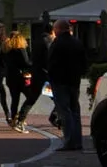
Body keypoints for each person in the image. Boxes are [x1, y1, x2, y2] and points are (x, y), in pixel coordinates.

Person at [48, 19, 88, 152]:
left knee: (64, 112)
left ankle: (69, 141)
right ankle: (77, 141)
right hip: (74, 81)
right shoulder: (77, 42)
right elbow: (84, 63)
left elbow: (51, 62)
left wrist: (51, 76)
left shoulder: (57, 43)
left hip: (60, 82)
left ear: (58, 29)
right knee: (75, 111)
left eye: (55, 29)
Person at [15, 23, 57, 131]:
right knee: (57, 98)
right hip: (46, 75)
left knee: (32, 98)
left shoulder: (36, 41)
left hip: (37, 73)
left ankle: (20, 119)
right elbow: (49, 58)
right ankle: (55, 117)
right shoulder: (48, 41)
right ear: (52, 31)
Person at [1, 31, 33, 132]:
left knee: (15, 99)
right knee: (30, 97)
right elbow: (26, 62)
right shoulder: (21, 49)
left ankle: (14, 119)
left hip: (10, 77)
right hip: (21, 77)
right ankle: (21, 118)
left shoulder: (6, 49)